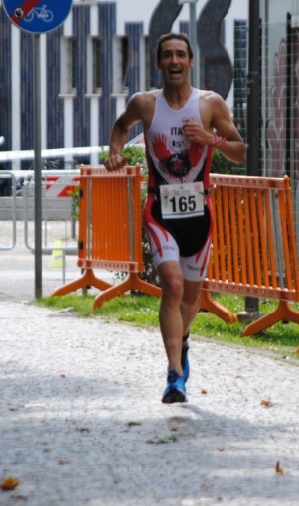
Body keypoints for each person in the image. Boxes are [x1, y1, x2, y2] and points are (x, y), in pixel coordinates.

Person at [105, 32, 246, 403]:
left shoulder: (210, 104)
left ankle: (181, 346)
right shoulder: (145, 104)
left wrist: (210, 139)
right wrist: (115, 153)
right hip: (160, 209)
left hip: (200, 213)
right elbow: (121, 127)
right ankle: (174, 375)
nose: (174, 61)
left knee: (191, 298)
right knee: (173, 284)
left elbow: (240, 152)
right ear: (158, 63)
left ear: (191, 62)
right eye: (167, 55)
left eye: (181, 55)